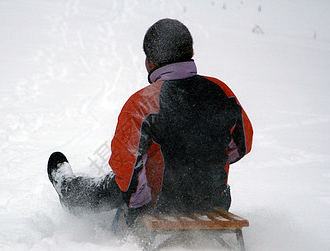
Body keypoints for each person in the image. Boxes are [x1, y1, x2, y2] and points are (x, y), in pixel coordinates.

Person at [48, 18, 253, 227]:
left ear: (150, 61)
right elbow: (242, 145)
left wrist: (139, 210)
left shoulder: (143, 104)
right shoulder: (222, 91)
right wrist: (201, 159)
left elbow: (126, 171)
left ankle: (70, 191)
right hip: (213, 201)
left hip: (159, 206)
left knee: (115, 182)